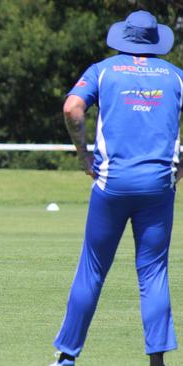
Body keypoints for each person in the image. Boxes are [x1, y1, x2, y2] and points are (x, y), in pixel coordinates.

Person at [51, 10, 181, 366]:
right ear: (156, 41)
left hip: (112, 184)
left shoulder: (103, 70)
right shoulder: (176, 77)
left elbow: (72, 108)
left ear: (123, 37)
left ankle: (66, 358)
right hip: (158, 187)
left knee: (92, 269)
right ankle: (157, 361)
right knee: (153, 271)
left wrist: (83, 155)